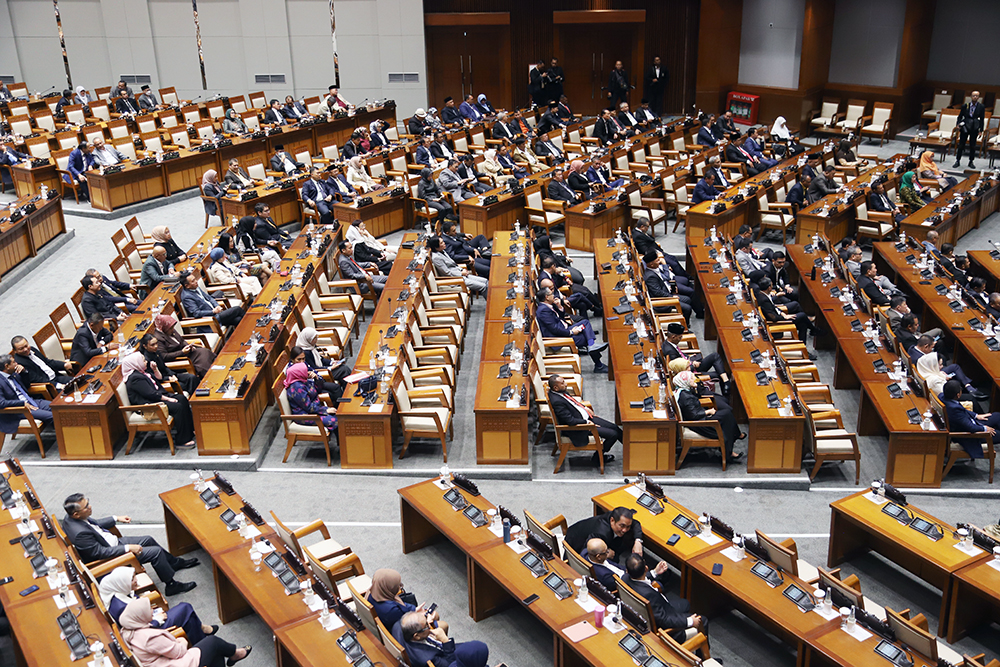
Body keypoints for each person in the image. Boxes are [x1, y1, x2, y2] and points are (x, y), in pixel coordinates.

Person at [62, 494, 198, 595]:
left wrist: (116, 518)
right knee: (155, 552)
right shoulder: (79, 533)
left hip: (113, 542)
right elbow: (100, 553)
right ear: (76, 514)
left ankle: (172, 563)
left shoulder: (71, 518)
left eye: (88, 503)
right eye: (86, 506)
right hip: (112, 555)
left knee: (148, 539)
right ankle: (171, 585)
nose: (90, 506)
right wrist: (127, 548)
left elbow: (93, 525)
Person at [120, 598, 251, 667]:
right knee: (213, 642)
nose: (152, 611)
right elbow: (178, 652)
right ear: (140, 616)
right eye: (149, 610)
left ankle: (233, 654)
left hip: (163, 661)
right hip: (175, 663)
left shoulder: (128, 631)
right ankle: (235, 653)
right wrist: (182, 641)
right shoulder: (149, 638)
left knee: (215, 654)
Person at [99, 566, 215, 644]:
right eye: (132, 579)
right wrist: (156, 620)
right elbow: (139, 630)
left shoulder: (117, 593)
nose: (136, 581)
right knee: (185, 607)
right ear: (122, 583)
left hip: (149, 619)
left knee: (189, 620)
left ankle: (201, 638)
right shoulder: (121, 608)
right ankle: (202, 634)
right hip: (152, 629)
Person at [123, 351, 195, 448]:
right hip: (149, 405)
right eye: (143, 360)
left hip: (157, 398)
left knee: (182, 399)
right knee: (178, 407)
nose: (146, 362)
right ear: (136, 363)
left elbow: (159, 379)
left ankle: (190, 430)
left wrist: (155, 369)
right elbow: (151, 394)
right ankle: (182, 440)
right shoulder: (135, 378)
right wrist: (169, 399)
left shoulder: (141, 372)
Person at [623, 554, 704, 640]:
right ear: (646, 568)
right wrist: (690, 621)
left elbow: (639, 580)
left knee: (685, 603)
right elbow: (664, 620)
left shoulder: (624, 579)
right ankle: (700, 651)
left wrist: (655, 572)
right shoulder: (649, 596)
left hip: (663, 606)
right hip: (666, 626)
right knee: (703, 621)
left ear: (627, 571)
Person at [547, 374, 620, 465]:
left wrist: (585, 408)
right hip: (580, 427)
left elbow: (573, 403)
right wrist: (586, 422)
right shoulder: (557, 401)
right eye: (562, 383)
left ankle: (632, 449)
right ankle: (597, 458)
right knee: (613, 434)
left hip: (587, 418)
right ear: (556, 388)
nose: (566, 384)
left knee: (615, 427)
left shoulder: (560, 392)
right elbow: (570, 421)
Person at [674, 370, 742, 461]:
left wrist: (696, 386)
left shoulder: (684, 390)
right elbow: (694, 415)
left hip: (699, 418)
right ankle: (729, 450)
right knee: (726, 416)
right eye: (692, 378)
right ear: (685, 381)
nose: (695, 379)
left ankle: (735, 438)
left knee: (727, 414)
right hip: (698, 424)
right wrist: (708, 412)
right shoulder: (686, 397)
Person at [536, 289, 608, 372]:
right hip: (558, 338)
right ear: (547, 297)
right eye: (551, 294)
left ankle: (592, 347)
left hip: (564, 329)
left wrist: (559, 307)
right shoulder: (543, 311)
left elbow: (560, 318)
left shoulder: (548, 306)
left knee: (585, 322)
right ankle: (598, 364)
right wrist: (571, 332)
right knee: (585, 338)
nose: (554, 296)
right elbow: (554, 329)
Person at [393, 611, 487, 667]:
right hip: (445, 655)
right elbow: (451, 663)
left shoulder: (398, 626)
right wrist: (446, 641)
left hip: (429, 646)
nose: (430, 624)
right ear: (416, 636)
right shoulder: (429, 658)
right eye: (426, 625)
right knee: (475, 652)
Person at [367, 569, 446, 634]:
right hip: (401, 633)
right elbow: (406, 625)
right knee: (440, 621)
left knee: (433, 615)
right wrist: (425, 619)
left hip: (389, 623)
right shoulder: (391, 610)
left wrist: (414, 610)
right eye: (397, 585)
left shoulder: (372, 592)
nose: (401, 586)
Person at [941, 379, 1000, 459]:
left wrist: (976, 415)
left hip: (970, 421)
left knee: (996, 415)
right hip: (970, 435)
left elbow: (963, 410)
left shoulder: (942, 397)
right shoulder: (954, 409)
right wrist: (985, 429)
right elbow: (971, 428)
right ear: (958, 395)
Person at [755, 277, 821, 348]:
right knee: (802, 315)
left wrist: (782, 313)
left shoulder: (761, 294)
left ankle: (804, 348)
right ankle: (813, 329)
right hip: (777, 323)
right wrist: (784, 317)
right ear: (769, 288)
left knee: (803, 325)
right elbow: (773, 317)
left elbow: (773, 307)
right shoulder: (764, 300)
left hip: (779, 316)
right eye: (771, 285)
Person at [565, 507, 642, 563]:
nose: (624, 530)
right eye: (622, 526)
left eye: (628, 526)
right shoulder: (601, 534)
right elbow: (587, 552)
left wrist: (638, 541)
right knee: (614, 558)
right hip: (576, 542)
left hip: (583, 530)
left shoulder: (617, 518)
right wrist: (605, 553)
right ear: (612, 521)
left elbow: (636, 523)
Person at [0, 354, 53, 434]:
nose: (17, 363)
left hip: (31, 401)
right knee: (52, 416)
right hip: (19, 410)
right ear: (7, 366)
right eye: (14, 362)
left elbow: (27, 386)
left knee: (57, 407)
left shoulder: (14, 373)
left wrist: (24, 372)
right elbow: (1, 403)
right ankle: (66, 439)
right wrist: (22, 403)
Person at [179, 271, 245, 329]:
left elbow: (209, 298)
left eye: (195, 279)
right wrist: (213, 311)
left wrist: (217, 306)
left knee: (238, 320)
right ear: (187, 285)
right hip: (210, 318)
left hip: (216, 313)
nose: (196, 281)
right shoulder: (186, 297)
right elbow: (196, 313)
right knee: (237, 309)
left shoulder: (195, 287)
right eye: (193, 281)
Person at [284, 362, 337, 432]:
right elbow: (308, 407)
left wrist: (316, 378)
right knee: (335, 420)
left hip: (315, 409)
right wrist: (325, 410)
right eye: (305, 371)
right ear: (299, 373)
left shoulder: (304, 380)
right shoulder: (297, 388)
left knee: (338, 415)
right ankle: (342, 442)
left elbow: (318, 389)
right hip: (305, 415)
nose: (308, 372)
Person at [954, 91, 984, 169]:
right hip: (965, 125)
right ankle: (957, 160)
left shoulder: (981, 107)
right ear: (971, 96)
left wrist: (981, 130)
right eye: (974, 96)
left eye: (977, 96)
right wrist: (958, 124)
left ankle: (971, 161)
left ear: (979, 97)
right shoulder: (965, 106)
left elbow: (982, 119)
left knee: (972, 145)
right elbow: (960, 116)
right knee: (961, 144)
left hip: (975, 126)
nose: (975, 97)